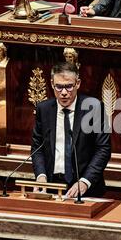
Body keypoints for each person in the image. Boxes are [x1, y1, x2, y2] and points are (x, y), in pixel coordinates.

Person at [31, 62, 111, 198]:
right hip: (51, 187)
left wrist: (85, 181)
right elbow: (37, 147)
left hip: (85, 189)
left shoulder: (93, 108)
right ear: (52, 84)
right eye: (59, 87)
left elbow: (103, 149)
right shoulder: (43, 109)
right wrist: (41, 175)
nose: (63, 93)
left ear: (78, 83)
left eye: (68, 87)